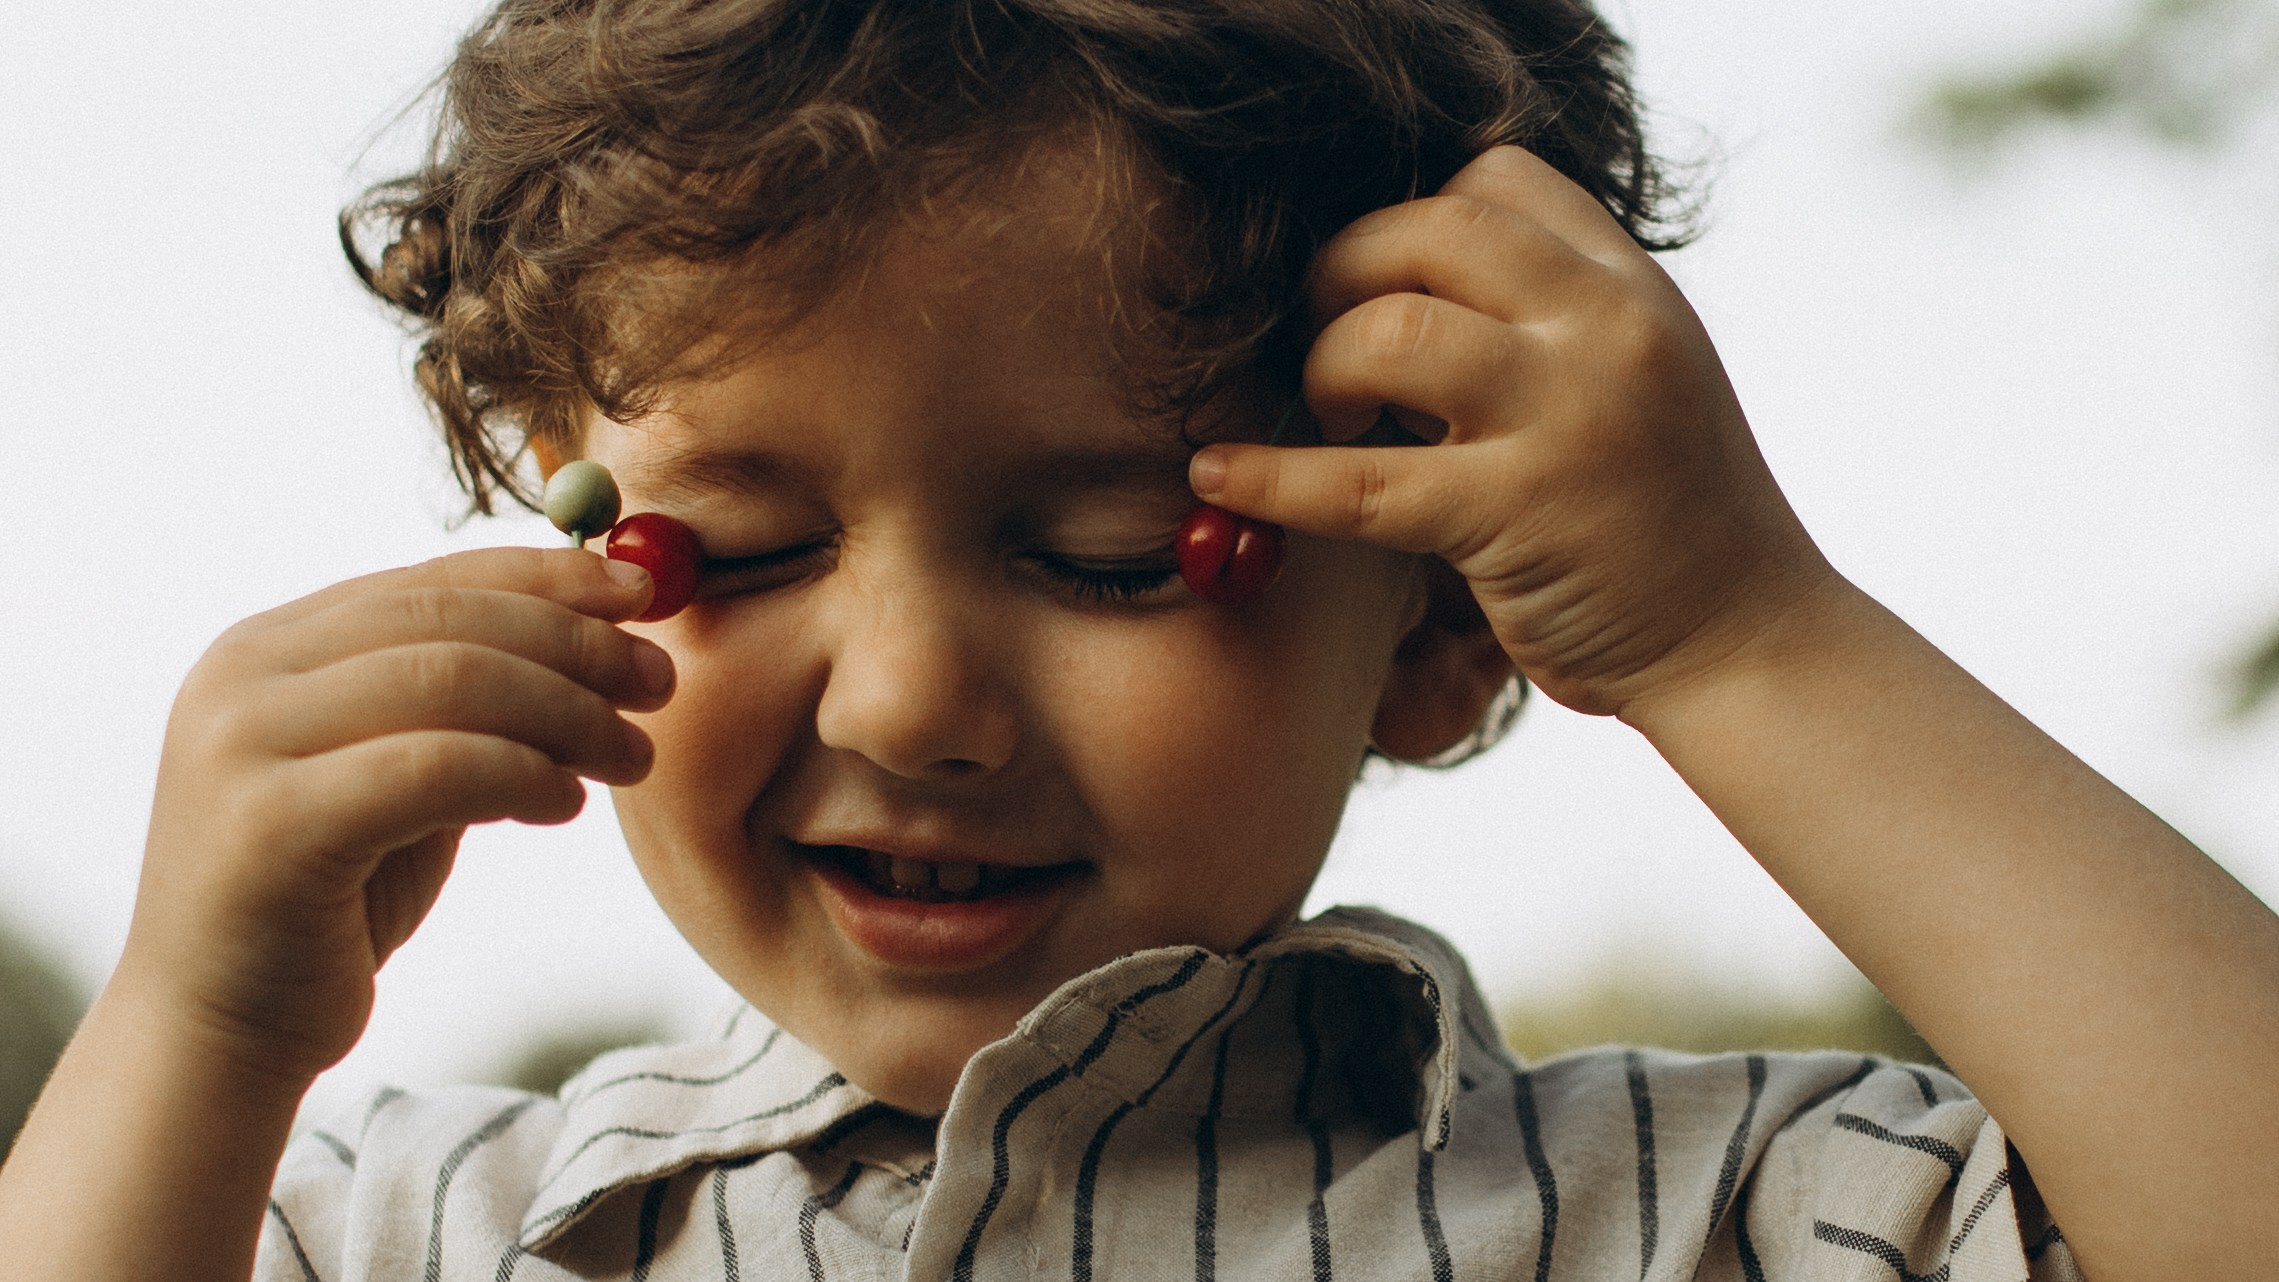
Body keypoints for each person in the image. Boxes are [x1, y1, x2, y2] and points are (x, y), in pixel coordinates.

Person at [3, 0, 2274, 1277]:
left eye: (1107, 551)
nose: (908, 697)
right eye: (749, 541)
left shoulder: (1737, 1223)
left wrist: (1745, 634)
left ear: (1452, 620)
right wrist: (201, 1023)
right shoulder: (401, 1228)